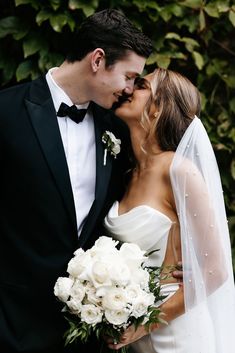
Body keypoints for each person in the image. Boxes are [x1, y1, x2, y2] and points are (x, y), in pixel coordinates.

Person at [0, 9, 153, 353]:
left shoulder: (116, 130)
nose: (130, 90)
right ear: (98, 60)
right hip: (13, 325)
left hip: (84, 333)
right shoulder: (6, 113)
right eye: (129, 76)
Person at [104, 68, 235, 353]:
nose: (127, 88)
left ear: (158, 109)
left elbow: (215, 270)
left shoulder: (180, 171)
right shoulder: (127, 173)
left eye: (140, 86)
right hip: (136, 332)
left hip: (178, 332)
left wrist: (141, 326)